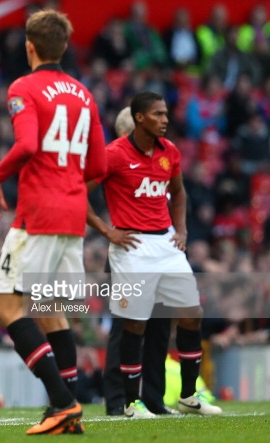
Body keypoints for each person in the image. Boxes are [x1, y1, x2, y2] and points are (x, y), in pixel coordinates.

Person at [0, 9, 107, 435]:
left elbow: (28, 144)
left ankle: (63, 402)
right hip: (72, 216)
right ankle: (68, 411)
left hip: (38, 214)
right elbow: (100, 165)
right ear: (66, 46)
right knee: (53, 310)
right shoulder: (84, 94)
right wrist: (71, 189)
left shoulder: (24, 86)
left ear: (29, 47)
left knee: (7, 307)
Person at [86, 91, 222, 418]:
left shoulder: (170, 152)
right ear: (139, 118)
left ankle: (189, 396)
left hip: (166, 243)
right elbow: (78, 192)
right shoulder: (113, 154)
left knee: (192, 313)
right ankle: (131, 404)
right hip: (132, 247)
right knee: (134, 323)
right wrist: (107, 231)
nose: (165, 119)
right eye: (158, 114)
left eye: (165, 113)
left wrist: (183, 230)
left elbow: (178, 193)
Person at [100, 107, 175, 416]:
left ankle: (155, 399)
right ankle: (118, 400)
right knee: (126, 328)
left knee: (159, 326)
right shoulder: (115, 161)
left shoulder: (160, 160)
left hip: (162, 253)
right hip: (128, 254)